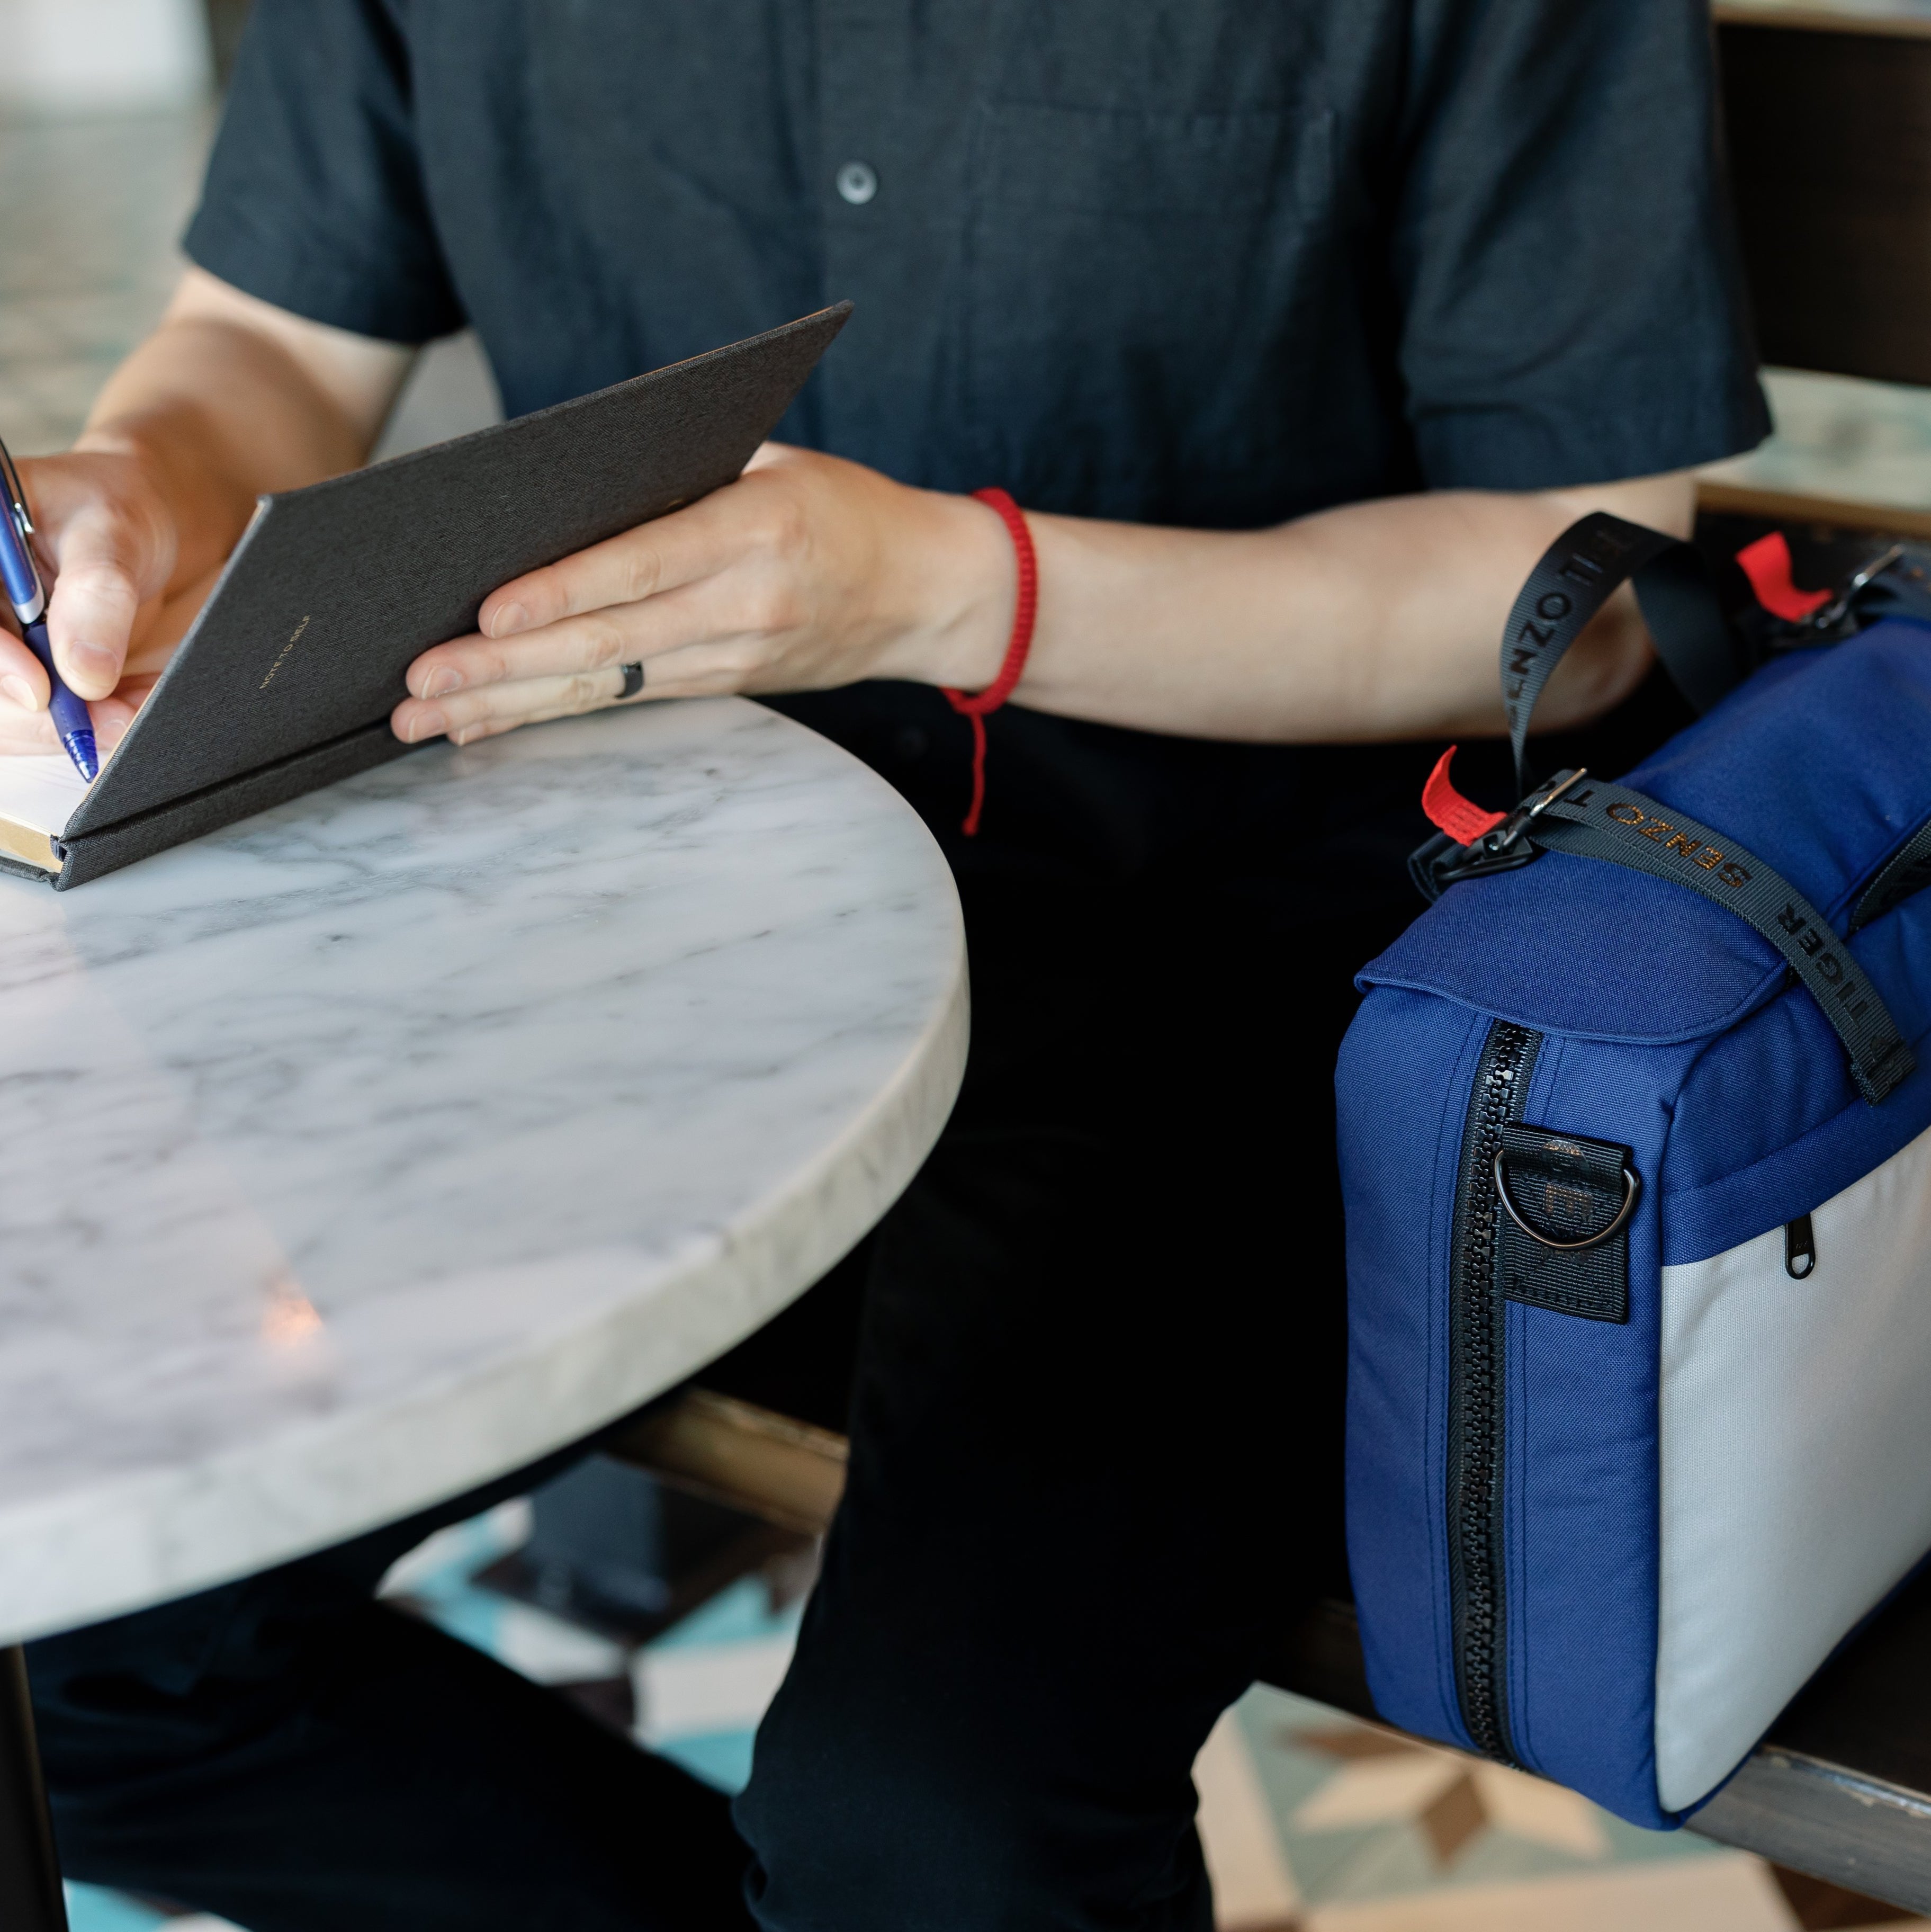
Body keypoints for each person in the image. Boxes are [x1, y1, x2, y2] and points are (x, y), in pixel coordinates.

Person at [10, 2, 1767, 1928]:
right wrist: (145, 479)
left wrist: (943, 585)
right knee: (85, 1674)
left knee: (934, 1835)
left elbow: (1579, 600)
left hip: (1234, 968)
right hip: (622, 930)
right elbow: (266, 340)